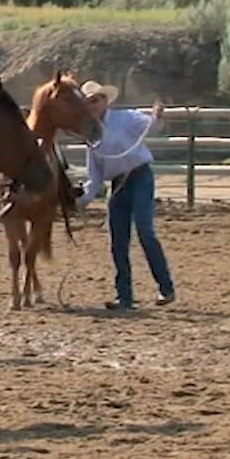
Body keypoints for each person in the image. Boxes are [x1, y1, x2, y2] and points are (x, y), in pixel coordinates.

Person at [75, 79, 175, 310]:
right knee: (117, 240)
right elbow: (95, 174)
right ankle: (124, 296)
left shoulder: (126, 118)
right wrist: (83, 199)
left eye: (97, 100)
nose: (93, 105)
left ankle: (165, 287)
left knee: (144, 229)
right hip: (118, 183)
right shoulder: (92, 134)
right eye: (89, 102)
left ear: (105, 101)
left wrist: (157, 117)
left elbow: (151, 127)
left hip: (139, 176)